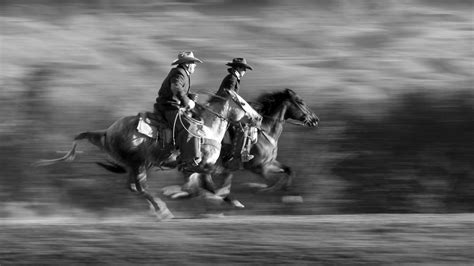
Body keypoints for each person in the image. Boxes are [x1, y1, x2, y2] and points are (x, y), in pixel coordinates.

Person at [153, 51, 203, 171]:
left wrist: (189, 97)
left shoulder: (181, 73)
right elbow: (176, 87)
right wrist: (187, 101)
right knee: (190, 126)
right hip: (169, 108)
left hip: (171, 106)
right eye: (193, 63)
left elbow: (179, 90)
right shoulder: (179, 73)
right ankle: (189, 160)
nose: (195, 65)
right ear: (186, 64)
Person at [216, 58, 256, 164]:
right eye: (243, 68)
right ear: (237, 68)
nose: (245, 71)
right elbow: (230, 96)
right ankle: (239, 153)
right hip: (224, 109)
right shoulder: (232, 79)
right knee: (243, 128)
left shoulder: (233, 78)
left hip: (224, 107)